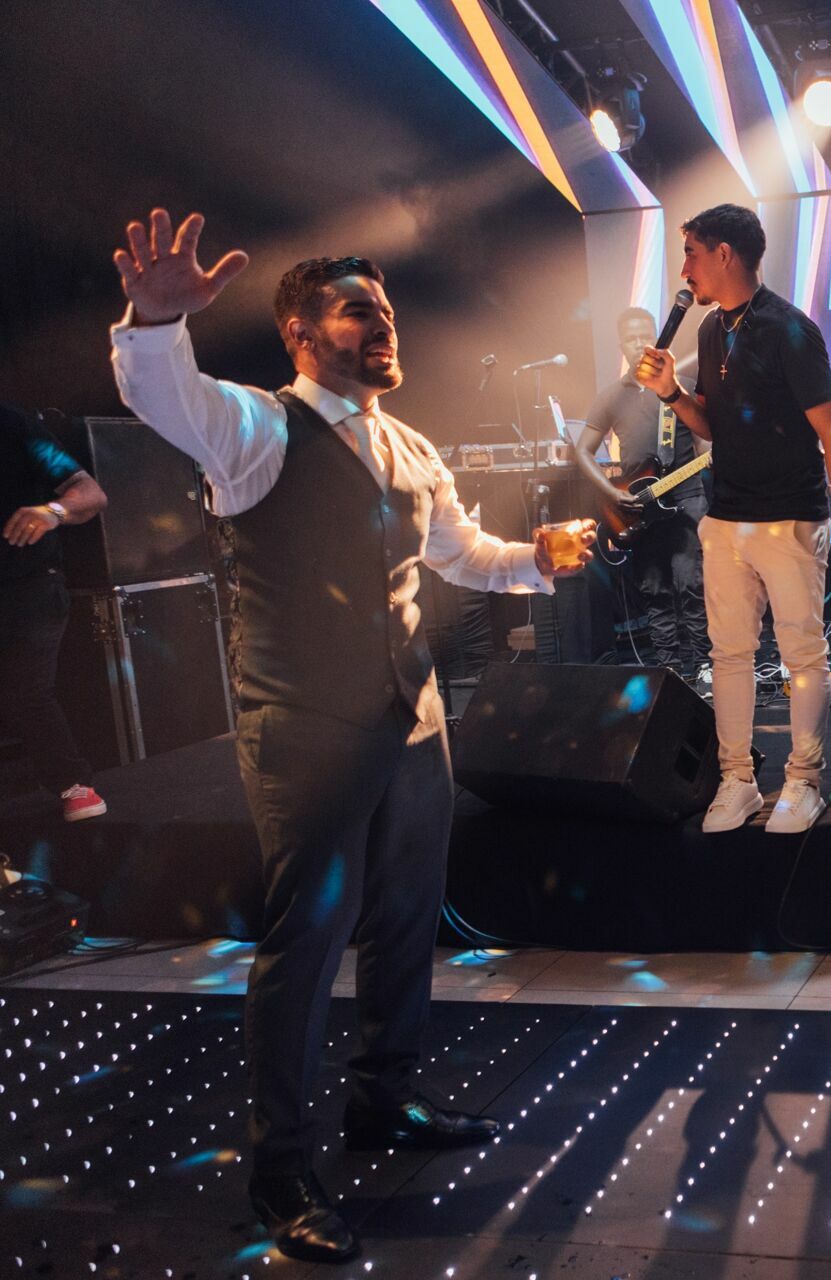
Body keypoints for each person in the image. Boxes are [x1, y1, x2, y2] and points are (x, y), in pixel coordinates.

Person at [109, 209, 592, 1264]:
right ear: (299, 329)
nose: (382, 326)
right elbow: (165, 397)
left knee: (406, 923)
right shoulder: (258, 427)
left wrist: (537, 559)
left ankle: (384, 1099)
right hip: (306, 725)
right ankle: (280, 1166)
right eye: (357, 311)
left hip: (413, 720)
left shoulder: (411, 443)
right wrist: (151, 321)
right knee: (306, 940)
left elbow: (460, 554)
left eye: (385, 310)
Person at [628, 204, 831, 835]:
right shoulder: (711, 331)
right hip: (727, 518)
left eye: (690, 253)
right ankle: (737, 778)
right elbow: (715, 428)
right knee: (730, 654)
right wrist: (674, 396)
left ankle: (803, 780)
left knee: (802, 652)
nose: (684, 270)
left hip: (790, 518)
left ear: (723, 255)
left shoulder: (790, 329)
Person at [576, 305, 711, 678]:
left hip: (686, 496)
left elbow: (703, 439)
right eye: (632, 338)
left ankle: (702, 666)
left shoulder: (677, 384)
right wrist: (611, 493)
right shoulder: (611, 397)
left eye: (645, 336)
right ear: (622, 345)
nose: (640, 344)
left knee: (691, 584)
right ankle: (668, 669)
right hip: (639, 505)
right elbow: (582, 450)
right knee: (655, 590)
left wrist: (711, 460)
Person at [0, 402, 110, 821]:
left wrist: (53, 511)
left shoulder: (15, 426)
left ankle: (74, 786)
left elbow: (90, 493)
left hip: (28, 587)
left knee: (24, 691)